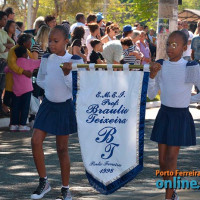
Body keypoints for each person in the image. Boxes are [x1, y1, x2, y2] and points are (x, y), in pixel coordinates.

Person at [148, 30, 200, 200]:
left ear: (185, 47)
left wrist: (189, 99)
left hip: (180, 116)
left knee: (171, 159)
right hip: (164, 114)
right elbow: (151, 94)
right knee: (162, 162)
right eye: (168, 44)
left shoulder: (190, 66)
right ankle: (172, 191)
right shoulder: (161, 65)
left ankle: (168, 197)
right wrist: (153, 76)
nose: (170, 47)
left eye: (175, 44)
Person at [31, 25, 77, 200]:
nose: (51, 44)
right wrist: (49, 90)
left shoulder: (72, 59)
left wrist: (66, 73)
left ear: (66, 41)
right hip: (48, 105)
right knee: (35, 140)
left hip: (64, 107)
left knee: (62, 149)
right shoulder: (47, 58)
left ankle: (65, 188)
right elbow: (41, 79)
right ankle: (44, 182)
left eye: (56, 41)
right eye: (49, 40)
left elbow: (73, 87)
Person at [5, 46, 40, 131]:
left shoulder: (14, 63)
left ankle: (14, 124)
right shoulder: (28, 62)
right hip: (26, 89)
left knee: (15, 107)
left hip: (16, 89)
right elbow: (39, 62)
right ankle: (22, 124)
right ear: (25, 54)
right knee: (25, 107)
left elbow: (6, 69)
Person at [0, 11, 15, 116]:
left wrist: (5, 46)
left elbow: (13, 44)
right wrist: (5, 47)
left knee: (2, 88)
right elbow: (1, 48)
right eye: (4, 19)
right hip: (0, 62)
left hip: (5, 63)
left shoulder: (4, 33)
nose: (6, 21)